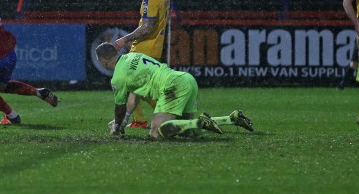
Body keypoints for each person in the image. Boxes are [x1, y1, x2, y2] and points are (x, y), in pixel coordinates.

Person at [95, 43, 254, 139]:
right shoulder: (133, 56)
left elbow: (119, 107)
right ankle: (231, 119)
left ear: (103, 61)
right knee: (187, 133)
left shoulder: (118, 77)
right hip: (186, 79)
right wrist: (126, 119)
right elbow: (135, 94)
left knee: (156, 132)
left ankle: (200, 121)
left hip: (172, 86)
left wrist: (117, 125)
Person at [112, 0, 170, 130]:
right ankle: (139, 119)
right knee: (137, 87)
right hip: (152, 48)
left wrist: (125, 39)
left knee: (129, 85)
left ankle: (169, 113)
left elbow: (147, 27)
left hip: (145, 50)